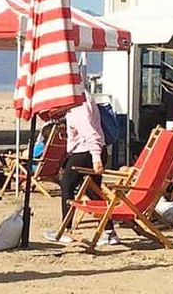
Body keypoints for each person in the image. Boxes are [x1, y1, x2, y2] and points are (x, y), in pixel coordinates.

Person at [45, 93, 119, 246]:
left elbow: (91, 133)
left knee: (67, 185)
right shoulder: (82, 98)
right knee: (94, 191)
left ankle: (66, 230)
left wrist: (96, 158)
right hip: (92, 150)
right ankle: (109, 232)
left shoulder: (78, 106)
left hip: (85, 152)